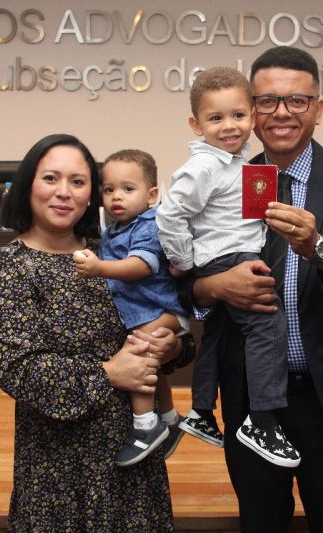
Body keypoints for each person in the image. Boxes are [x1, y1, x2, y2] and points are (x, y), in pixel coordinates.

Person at [185, 47, 323, 532]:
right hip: (252, 398)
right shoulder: (221, 180)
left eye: (297, 101)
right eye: (267, 101)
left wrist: (320, 248)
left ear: (318, 109)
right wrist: (215, 286)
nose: (281, 113)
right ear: (251, 110)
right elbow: (181, 282)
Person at [0, 133, 194, 531]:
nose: (64, 192)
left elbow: (173, 325)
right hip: (58, 473)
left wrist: (172, 345)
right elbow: (20, 371)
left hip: (136, 465)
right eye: (50, 178)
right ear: (28, 185)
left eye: (78, 181)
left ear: (91, 194)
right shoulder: (2, 269)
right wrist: (109, 373)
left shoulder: (115, 252)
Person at [156, 66, 300, 468]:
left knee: (218, 334)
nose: (229, 126)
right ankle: (263, 422)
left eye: (238, 115)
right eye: (216, 118)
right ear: (196, 124)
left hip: (227, 255)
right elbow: (169, 215)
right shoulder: (204, 167)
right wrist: (183, 262)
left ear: (252, 116)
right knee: (268, 328)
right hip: (230, 258)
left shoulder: (236, 164)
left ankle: (201, 411)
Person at [74, 149, 189, 466]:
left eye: (127, 189)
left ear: (151, 195)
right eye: (109, 189)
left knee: (137, 356)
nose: (116, 197)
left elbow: (142, 265)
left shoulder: (149, 224)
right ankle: (170, 419)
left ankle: (145, 426)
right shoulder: (114, 230)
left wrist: (100, 269)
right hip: (145, 312)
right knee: (153, 365)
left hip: (160, 309)